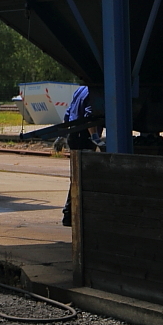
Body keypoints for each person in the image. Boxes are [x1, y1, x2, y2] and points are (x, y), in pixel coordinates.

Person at [61, 85, 102, 226]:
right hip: (83, 136)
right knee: (82, 175)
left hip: (73, 134)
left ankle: (69, 214)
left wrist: (63, 134)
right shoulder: (96, 92)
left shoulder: (80, 90)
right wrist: (95, 137)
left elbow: (68, 113)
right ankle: (69, 213)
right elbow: (89, 118)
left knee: (76, 175)